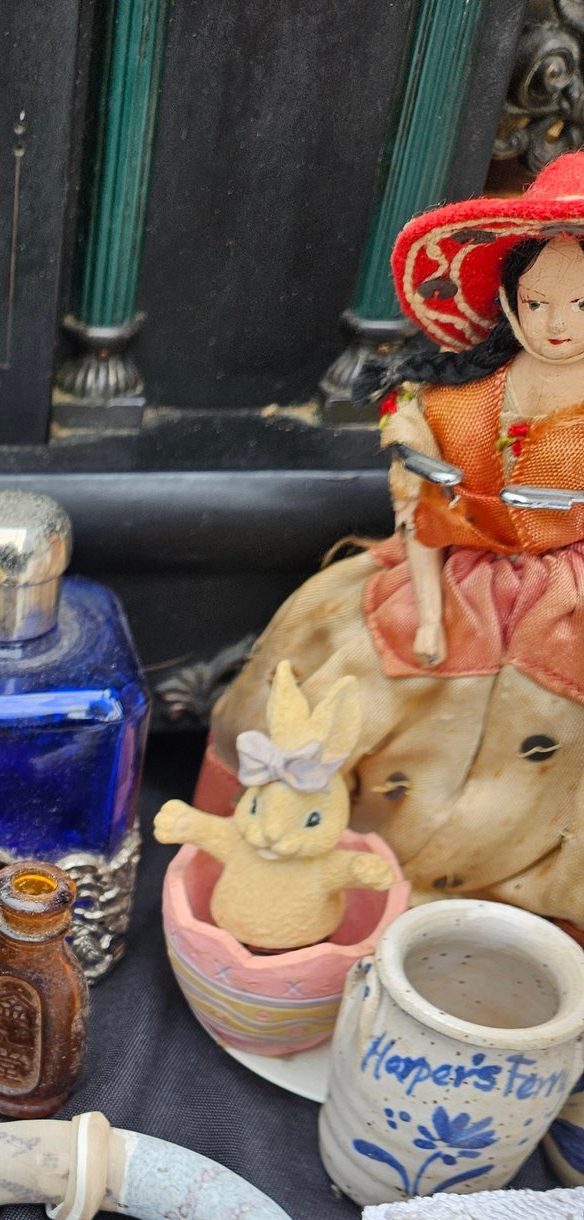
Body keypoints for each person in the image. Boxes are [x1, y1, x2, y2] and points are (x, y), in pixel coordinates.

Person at [207, 151, 584, 933]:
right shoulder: (458, 400)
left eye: (581, 304)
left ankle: (506, 911)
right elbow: (423, 513)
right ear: (507, 303)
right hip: (453, 570)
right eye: (538, 302)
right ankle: (325, 875)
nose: (558, 325)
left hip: (565, 600)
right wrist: (432, 609)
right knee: (360, 684)